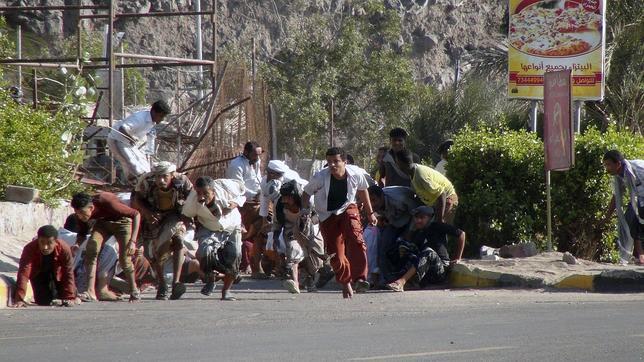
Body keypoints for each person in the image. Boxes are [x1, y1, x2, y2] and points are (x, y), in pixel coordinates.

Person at [302, 147, 377, 298]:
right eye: (329, 162)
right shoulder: (320, 177)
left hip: (347, 207)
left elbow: (363, 191)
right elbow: (306, 193)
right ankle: (346, 281)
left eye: (336, 161)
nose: (332, 165)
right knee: (335, 253)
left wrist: (370, 214)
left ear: (345, 161)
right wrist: (304, 213)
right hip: (327, 215)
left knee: (356, 238)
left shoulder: (356, 173)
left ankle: (360, 279)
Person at [133, 161, 193, 300]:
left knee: (178, 240)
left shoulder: (182, 181)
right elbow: (136, 198)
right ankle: (162, 284)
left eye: (164, 176)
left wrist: (188, 216)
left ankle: (175, 282)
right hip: (153, 218)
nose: (160, 180)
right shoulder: (147, 181)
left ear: (172, 175)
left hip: (174, 216)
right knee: (155, 253)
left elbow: (192, 198)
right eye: (158, 176)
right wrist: (147, 212)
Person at [182, 176, 245, 301]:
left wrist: (235, 203)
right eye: (199, 193)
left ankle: (226, 291)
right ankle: (210, 279)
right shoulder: (192, 200)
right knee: (203, 252)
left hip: (232, 226)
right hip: (208, 228)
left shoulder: (226, 187)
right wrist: (190, 225)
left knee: (235, 255)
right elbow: (186, 215)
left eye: (206, 193)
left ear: (213, 192)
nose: (202, 197)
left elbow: (243, 191)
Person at [71, 192, 142, 302]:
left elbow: (136, 214)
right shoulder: (81, 215)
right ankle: (91, 291)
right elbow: (82, 233)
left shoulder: (107, 202)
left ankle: (134, 290)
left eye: (81, 213)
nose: (80, 216)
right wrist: (77, 244)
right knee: (92, 248)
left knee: (124, 259)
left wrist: (132, 241)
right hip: (103, 223)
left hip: (122, 222)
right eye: (77, 213)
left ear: (91, 207)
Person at [385, 206, 465, 292]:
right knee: (404, 247)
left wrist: (457, 257)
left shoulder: (437, 226)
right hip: (426, 272)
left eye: (422, 218)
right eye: (416, 217)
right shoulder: (419, 233)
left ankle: (402, 282)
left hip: (440, 269)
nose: (418, 220)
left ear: (430, 218)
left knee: (428, 251)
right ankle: (402, 280)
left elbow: (461, 234)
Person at [272, 180, 325, 294]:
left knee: (314, 259)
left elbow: (318, 217)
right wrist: (275, 238)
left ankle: (310, 279)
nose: (285, 200)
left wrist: (307, 219)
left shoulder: (308, 202)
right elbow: (277, 222)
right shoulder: (279, 204)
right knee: (293, 251)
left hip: (310, 230)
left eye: (288, 197)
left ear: (295, 196)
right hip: (290, 231)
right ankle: (294, 282)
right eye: (284, 197)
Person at [368, 185, 421, 286]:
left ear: (382, 197)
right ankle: (388, 280)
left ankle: (409, 279)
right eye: (370, 201)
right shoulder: (373, 205)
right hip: (394, 222)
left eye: (374, 200)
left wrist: (409, 232)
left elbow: (416, 212)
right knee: (384, 248)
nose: (372, 204)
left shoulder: (399, 199)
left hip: (410, 220)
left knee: (406, 246)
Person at [107, 100, 171, 183]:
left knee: (145, 165)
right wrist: (131, 138)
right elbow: (122, 128)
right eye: (161, 116)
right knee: (131, 163)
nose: (162, 119)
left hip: (128, 143)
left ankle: (142, 182)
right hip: (117, 139)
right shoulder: (139, 118)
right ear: (154, 112)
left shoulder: (152, 121)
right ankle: (139, 184)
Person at [226, 141, 265, 277]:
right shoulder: (236, 165)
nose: (257, 157)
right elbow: (236, 187)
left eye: (259, 155)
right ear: (246, 153)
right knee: (245, 234)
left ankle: (257, 266)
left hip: (259, 201)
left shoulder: (256, 160)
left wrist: (262, 191)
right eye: (255, 155)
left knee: (262, 230)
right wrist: (254, 194)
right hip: (244, 204)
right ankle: (244, 265)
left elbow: (257, 179)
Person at [13, 225, 77, 307]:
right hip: (39, 274)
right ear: (38, 240)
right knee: (44, 301)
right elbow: (24, 273)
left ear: (55, 241)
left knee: (65, 299)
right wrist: (19, 299)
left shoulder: (64, 248)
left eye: (49, 243)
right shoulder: (29, 249)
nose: (45, 247)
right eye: (42, 242)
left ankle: (74, 294)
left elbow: (68, 273)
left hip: (58, 275)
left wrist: (70, 297)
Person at [601, 150, 644, 264]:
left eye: (609, 165)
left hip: (641, 197)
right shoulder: (618, 176)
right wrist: (607, 216)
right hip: (637, 197)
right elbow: (616, 196)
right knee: (630, 220)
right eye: (605, 165)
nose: (607, 168)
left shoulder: (638, 168)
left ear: (618, 164)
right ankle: (640, 256)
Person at [395, 149, 458, 224]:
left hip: (448, 199)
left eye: (397, 162)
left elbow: (442, 194)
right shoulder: (412, 176)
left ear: (402, 163)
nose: (397, 165)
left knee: (442, 230)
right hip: (437, 204)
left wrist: (439, 220)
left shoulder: (420, 175)